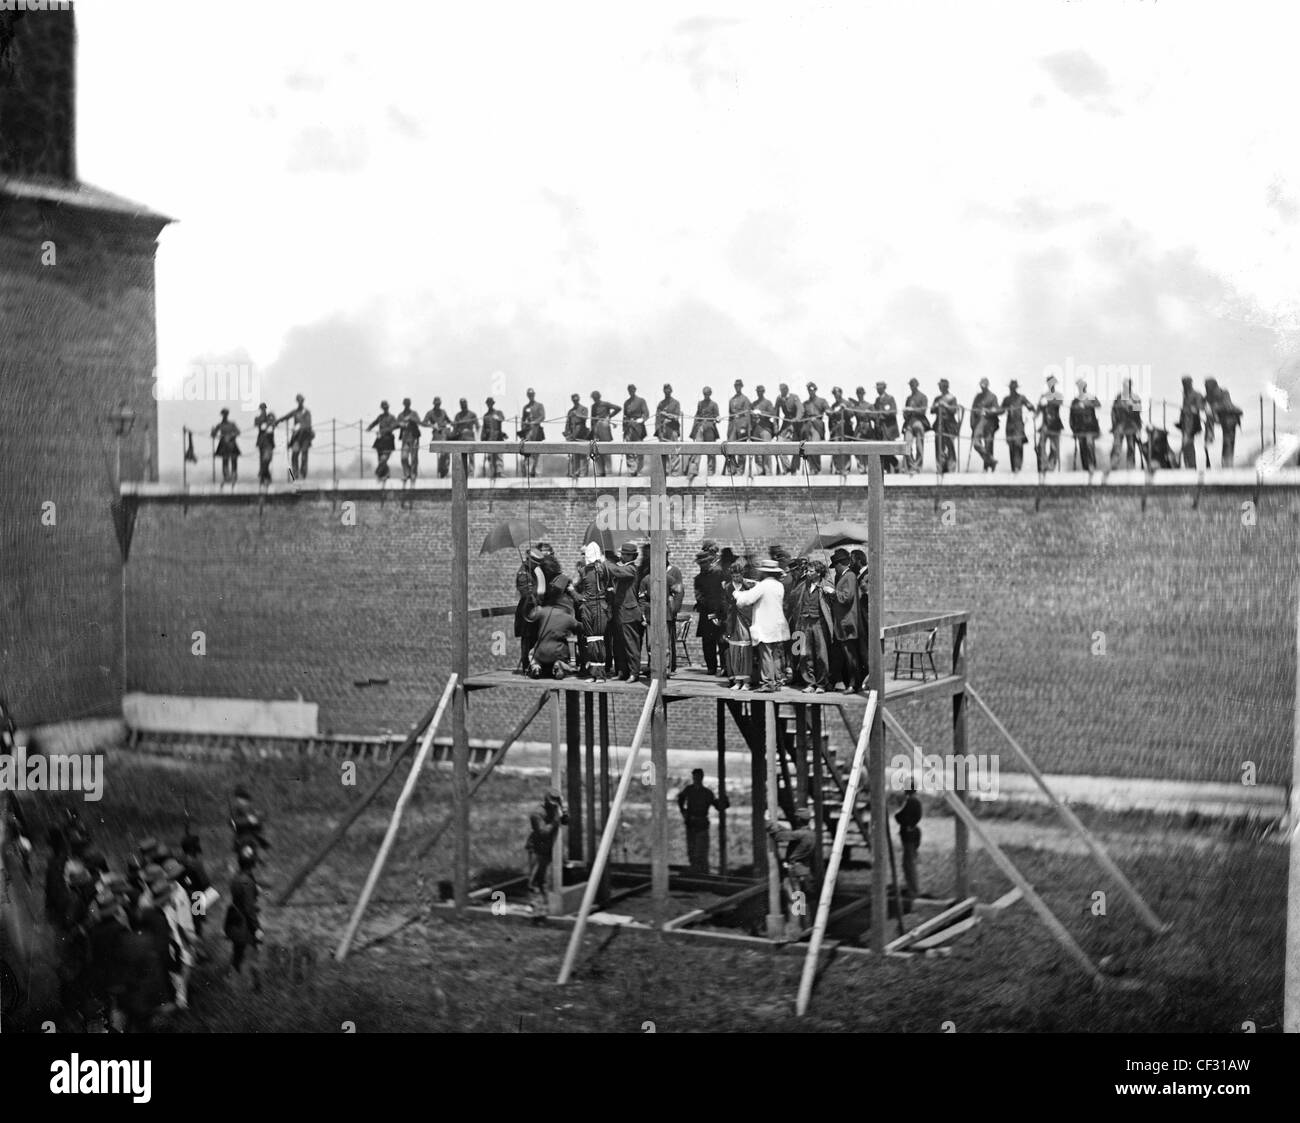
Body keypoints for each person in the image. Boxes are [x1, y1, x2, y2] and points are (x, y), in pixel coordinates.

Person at [731, 558, 788, 692]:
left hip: (766, 625)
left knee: (766, 654)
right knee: (776, 655)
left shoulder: (763, 585)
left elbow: (746, 600)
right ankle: (778, 681)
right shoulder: (779, 585)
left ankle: (768, 683)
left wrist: (737, 594)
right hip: (778, 624)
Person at [767, 807, 816, 928]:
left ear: (798, 819)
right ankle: (806, 927)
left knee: (794, 901)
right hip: (804, 870)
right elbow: (790, 833)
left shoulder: (800, 834)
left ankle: (795, 930)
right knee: (803, 901)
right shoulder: (810, 833)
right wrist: (779, 826)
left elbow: (778, 837)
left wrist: (769, 825)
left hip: (794, 871)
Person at [637, 550, 685, 673]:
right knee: (650, 644)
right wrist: (645, 612)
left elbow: (678, 592)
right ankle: (654, 668)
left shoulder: (669, 578)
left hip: (666, 616)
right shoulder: (646, 580)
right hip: (651, 617)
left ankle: (665, 669)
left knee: (665, 644)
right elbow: (641, 599)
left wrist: (672, 608)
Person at [525, 575, 581, 679]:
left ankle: (536, 666)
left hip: (540, 652)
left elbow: (530, 615)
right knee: (569, 659)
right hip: (557, 653)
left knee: (531, 653)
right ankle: (560, 664)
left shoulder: (544, 611)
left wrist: (535, 602)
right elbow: (580, 628)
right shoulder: (568, 618)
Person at [789, 559, 831, 693]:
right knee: (805, 653)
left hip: (819, 623)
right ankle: (810, 682)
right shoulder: (803, 585)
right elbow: (793, 596)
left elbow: (833, 604)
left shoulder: (826, 585)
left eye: (811, 571)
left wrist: (830, 592)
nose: (807, 573)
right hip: (805, 623)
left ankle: (821, 684)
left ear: (818, 573)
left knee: (821, 654)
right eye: (807, 571)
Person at [224, 845, 262, 992]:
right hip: (244, 924)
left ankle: (232, 982)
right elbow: (249, 908)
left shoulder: (237, 876)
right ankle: (254, 987)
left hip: (234, 920)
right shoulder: (247, 881)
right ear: (252, 863)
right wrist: (257, 928)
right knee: (253, 954)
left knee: (237, 952)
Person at [677, 769, 727, 875]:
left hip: (702, 823)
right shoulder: (689, 790)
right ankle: (694, 869)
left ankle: (702, 871)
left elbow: (718, 805)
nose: (696, 779)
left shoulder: (707, 793)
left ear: (702, 778)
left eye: (698, 777)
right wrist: (683, 811)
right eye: (695, 777)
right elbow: (680, 798)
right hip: (691, 823)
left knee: (701, 849)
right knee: (691, 848)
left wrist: (724, 801)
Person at [607, 542, 644, 681]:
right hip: (619, 612)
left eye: (625, 554)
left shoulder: (632, 569)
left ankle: (634, 673)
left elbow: (617, 572)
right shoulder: (622, 568)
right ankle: (622, 671)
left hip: (629, 613)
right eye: (622, 554)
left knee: (631, 644)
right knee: (619, 644)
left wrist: (605, 562)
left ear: (632, 556)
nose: (622, 556)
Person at [575, 543, 611, 680]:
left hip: (598, 605)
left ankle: (601, 674)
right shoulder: (584, 570)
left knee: (598, 639)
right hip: (588, 606)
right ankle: (594, 673)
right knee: (590, 640)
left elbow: (609, 584)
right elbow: (577, 584)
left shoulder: (602, 569)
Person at [525, 790, 568, 906]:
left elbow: (566, 822)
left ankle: (545, 903)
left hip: (549, 848)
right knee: (535, 877)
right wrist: (555, 821)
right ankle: (534, 904)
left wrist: (564, 815)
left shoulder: (555, 810)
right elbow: (543, 832)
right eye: (553, 804)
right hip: (537, 848)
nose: (555, 807)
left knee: (544, 878)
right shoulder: (537, 813)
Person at [826, 548, 860, 692]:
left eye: (836, 567)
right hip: (840, 622)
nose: (835, 570)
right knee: (843, 655)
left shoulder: (850, 576)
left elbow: (847, 598)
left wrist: (834, 592)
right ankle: (846, 682)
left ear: (841, 564)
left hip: (847, 622)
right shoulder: (841, 577)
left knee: (850, 655)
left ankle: (854, 683)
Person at [693, 548, 726, 676]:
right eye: (700, 563)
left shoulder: (719, 574)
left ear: (710, 562)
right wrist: (709, 610)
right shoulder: (698, 579)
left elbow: (723, 593)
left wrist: (719, 611)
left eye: (705, 563)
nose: (703, 565)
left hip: (720, 612)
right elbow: (699, 596)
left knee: (722, 641)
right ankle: (711, 667)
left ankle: (724, 667)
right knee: (707, 642)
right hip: (706, 614)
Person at [515, 546, 546, 672]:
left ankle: (535, 664)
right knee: (527, 638)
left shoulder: (532, 571)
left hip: (534, 608)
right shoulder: (523, 573)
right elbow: (525, 592)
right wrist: (535, 596)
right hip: (526, 610)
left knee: (534, 637)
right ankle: (526, 666)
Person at [1205, 378, 1243, 468]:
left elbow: (1227, 405)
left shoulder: (1224, 393)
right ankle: (1209, 437)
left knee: (1228, 443)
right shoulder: (1208, 396)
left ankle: (1227, 465)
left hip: (1230, 419)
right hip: (1221, 419)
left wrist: (1214, 407)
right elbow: (1203, 404)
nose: (1206, 388)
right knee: (1227, 443)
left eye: (1207, 386)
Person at [894, 783, 923, 897]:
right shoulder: (915, 801)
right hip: (912, 833)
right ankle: (912, 888)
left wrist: (907, 823)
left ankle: (913, 890)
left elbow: (900, 816)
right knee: (909, 862)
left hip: (909, 834)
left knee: (909, 863)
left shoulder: (910, 801)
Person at [1175, 376, 1209, 469]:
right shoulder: (1185, 395)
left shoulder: (1196, 394)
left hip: (1192, 423)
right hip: (1185, 423)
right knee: (1187, 446)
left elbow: (1202, 407)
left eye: (1186, 383)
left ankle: (1191, 466)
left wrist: (1194, 408)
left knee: (1187, 443)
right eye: (1184, 383)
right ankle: (1189, 466)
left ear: (1190, 383)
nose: (1185, 385)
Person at [1109, 378, 1143, 470]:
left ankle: (1130, 466)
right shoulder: (1118, 397)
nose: (1125, 387)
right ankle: (1114, 464)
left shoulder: (1135, 398)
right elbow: (1113, 411)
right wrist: (1114, 425)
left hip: (1132, 425)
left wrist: (1139, 429)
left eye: (1127, 386)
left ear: (1131, 386)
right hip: (1120, 425)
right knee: (1116, 446)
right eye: (1124, 386)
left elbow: (1138, 412)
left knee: (1131, 447)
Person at [1069, 378, 1101, 472]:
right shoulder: (1075, 401)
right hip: (1079, 429)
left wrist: (1087, 404)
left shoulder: (1090, 397)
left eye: (1082, 386)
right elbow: (1071, 417)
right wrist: (1073, 429)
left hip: (1090, 427)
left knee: (1089, 445)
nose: (1081, 388)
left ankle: (1092, 465)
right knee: (1082, 448)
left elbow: (1098, 405)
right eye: (1079, 386)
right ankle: (1085, 467)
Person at [1000, 380, 1033, 473]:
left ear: (1016, 388)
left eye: (1014, 388)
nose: (1012, 390)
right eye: (1011, 388)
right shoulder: (1006, 399)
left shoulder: (1021, 398)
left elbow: (1030, 406)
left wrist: (1030, 407)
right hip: (1009, 425)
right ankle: (1014, 468)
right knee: (1011, 447)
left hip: (1018, 425)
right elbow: (1001, 410)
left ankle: (1018, 467)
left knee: (1018, 445)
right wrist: (992, 411)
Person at [687, 387, 720, 477]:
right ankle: (694, 470)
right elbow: (697, 416)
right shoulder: (700, 404)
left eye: (708, 393)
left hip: (710, 428)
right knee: (697, 449)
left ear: (710, 394)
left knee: (711, 450)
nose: (706, 395)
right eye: (705, 394)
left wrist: (717, 419)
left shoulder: (714, 404)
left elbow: (717, 417)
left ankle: (711, 472)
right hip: (700, 428)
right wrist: (694, 432)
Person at [280, 394, 314, 480]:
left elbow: (308, 424)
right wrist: (276, 422)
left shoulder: (307, 413)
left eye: (301, 401)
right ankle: (295, 474)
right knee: (294, 455)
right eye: (298, 401)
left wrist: (300, 426)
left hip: (305, 438)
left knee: (304, 457)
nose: (299, 403)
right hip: (296, 437)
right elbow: (286, 416)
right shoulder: (295, 412)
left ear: (303, 402)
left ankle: (303, 475)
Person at [1035, 374, 1065, 472]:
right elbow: (1038, 410)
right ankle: (1044, 464)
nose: (1051, 385)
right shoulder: (1043, 396)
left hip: (1055, 425)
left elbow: (1059, 403)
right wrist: (1034, 416)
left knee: (1054, 447)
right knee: (1040, 445)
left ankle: (1051, 466)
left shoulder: (1058, 395)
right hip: (1045, 425)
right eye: (1049, 383)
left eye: (1052, 383)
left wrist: (1047, 401)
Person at [930, 379, 960, 474]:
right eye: (940, 386)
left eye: (942, 386)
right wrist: (936, 406)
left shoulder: (952, 398)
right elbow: (931, 410)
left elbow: (954, 410)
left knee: (950, 446)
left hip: (949, 425)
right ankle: (940, 466)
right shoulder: (937, 398)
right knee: (939, 446)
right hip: (939, 424)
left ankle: (951, 466)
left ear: (946, 387)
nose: (940, 388)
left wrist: (946, 405)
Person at [230, 786, 271, 855]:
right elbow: (233, 821)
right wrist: (248, 820)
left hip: (255, 835)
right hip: (242, 836)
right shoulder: (235, 810)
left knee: (263, 847)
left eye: (244, 799)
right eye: (240, 798)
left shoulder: (251, 808)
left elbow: (262, 815)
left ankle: (261, 859)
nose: (242, 801)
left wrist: (257, 818)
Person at [870, 382, 900, 473]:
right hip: (880, 429)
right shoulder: (877, 400)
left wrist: (882, 414)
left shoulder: (890, 399)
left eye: (880, 388)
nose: (878, 390)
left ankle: (896, 464)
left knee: (887, 449)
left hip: (889, 429)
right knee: (881, 449)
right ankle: (887, 469)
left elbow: (893, 412)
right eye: (877, 388)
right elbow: (875, 413)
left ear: (884, 388)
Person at [970, 379, 999, 472]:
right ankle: (991, 460)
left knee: (988, 445)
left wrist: (988, 411)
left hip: (990, 423)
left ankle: (986, 468)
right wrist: (972, 425)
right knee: (976, 443)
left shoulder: (992, 397)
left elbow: (997, 409)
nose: (982, 386)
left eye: (984, 385)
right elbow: (972, 411)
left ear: (987, 385)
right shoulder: (977, 397)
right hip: (979, 423)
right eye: (981, 385)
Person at [589, 391, 620, 477]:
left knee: (606, 450)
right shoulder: (593, 406)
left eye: (596, 397)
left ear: (599, 397)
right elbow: (592, 419)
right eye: (594, 398)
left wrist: (609, 416)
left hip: (604, 426)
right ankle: (600, 471)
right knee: (596, 449)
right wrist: (592, 431)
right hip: (596, 428)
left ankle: (609, 471)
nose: (595, 399)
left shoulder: (605, 404)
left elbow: (618, 408)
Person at [902, 378, 930, 473]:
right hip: (909, 422)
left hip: (919, 422)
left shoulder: (923, 397)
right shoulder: (909, 398)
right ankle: (911, 465)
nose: (912, 386)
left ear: (917, 385)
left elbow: (923, 411)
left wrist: (912, 409)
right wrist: (906, 412)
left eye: (913, 385)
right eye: (910, 385)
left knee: (919, 445)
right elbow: (905, 413)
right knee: (906, 445)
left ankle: (917, 467)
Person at [654, 384, 683, 474]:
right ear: (663, 391)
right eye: (665, 390)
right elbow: (657, 418)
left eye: (668, 390)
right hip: (663, 429)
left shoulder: (676, 403)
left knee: (675, 450)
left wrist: (666, 415)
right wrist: (658, 431)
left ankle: (675, 472)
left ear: (671, 391)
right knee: (663, 451)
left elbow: (676, 417)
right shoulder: (661, 404)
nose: (667, 392)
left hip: (673, 429)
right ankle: (664, 472)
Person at [366, 400, 398, 480]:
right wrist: (369, 428)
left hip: (388, 440)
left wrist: (383, 431)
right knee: (380, 459)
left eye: (386, 407)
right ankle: (384, 474)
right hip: (380, 441)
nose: (385, 409)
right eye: (383, 407)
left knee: (384, 459)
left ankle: (378, 472)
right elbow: (374, 423)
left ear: (388, 407)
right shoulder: (380, 417)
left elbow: (395, 426)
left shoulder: (392, 417)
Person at [775, 383, 802, 473]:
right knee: (779, 443)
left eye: (783, 390)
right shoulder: (779, 399)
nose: (782, 392)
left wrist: (797, 418)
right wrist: (776, 427)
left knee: (797, 446)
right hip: (786, 424)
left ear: (787, 390)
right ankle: (787, 467)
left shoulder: (794, 397)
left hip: (796, 425)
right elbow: (776, 413)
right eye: (781, 390)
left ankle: (794, 468)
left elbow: (800, 409)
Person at [725, 380, 751, 475]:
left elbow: (747, 415)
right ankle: (732, 469)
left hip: (742, 426)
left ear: (741, 387)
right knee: (730, 448)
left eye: (739, 386)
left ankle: (740, 470)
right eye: (736, 386)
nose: (737, 388)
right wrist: (729, 429)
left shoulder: (745, 399)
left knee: (741, 449)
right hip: (732, 427)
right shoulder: (731, 400)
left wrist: (746, 428)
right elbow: (730, 415)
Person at [801, 382, 829, 473]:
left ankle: (817, 468)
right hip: (807, 425)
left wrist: (830, 411)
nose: (810, 392)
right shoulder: (805, 403)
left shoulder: (822, 401)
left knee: (815, 445)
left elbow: (828, 410)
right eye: (809, 390)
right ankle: (811, 469)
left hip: (817, 425)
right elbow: (801, 414)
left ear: (815, 390)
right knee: (807, 447)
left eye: (812, 390)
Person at [518, 389, 546, 477]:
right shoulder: (525, 407)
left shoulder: (539, 405)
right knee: (527, 452)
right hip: (527, 433)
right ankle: (528, 472)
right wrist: (523, 427)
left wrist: (535, 422)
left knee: (537, 452)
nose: (531, 396)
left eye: (532, 394)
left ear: (534, 395)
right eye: (529, 394)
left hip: (537, 432)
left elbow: (542, 416)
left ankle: (537, 472)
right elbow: (523, 420)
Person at [422, 396, 453, 478]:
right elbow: (423, 423)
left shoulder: (443, 412)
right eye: (436, 404)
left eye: (439, 404)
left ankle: (445, 472)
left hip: (445, 434)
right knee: (441, 454)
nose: (438, 405)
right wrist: (432, 425)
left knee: (446, 454)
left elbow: (449, 421)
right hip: (437, 436)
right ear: (434, 404)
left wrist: (452, 423)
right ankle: (441, 472)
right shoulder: (430, 413)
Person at [622, 384, 649, 475]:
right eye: (629, 390)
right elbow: (624, 416)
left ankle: (639, 469)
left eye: (632, 389)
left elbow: (646, 413)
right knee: (628, 449)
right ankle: (632, 470)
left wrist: (642, 419)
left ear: (635, 390)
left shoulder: (641, 401)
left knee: (639, 449)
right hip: (629, 428)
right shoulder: (626, 403)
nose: (631, 391)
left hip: (638, 428)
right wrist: (624, 428)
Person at [750, 385, 776, 475]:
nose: (759, 393)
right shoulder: (753, 404)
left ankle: (768, 472)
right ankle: (760, 472)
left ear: (763, 392)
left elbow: (772, 414)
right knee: (757, 453)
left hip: (765, 429)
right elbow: (750, 417)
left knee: (767, 451)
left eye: (760, 391)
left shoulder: (768, 403)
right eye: (758, 391)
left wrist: (761, 413)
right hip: (755, 430)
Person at [211, 408, 241, 484]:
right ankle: (226, 477)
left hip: (232, 444)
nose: (224, 416)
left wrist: (231, 435)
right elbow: (213, 435)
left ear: (227, 415)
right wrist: (213, 431)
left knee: (234, 460)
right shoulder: (219, 425)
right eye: (223, 415)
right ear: (222, 415)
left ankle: (234, 476)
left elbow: (238, 432)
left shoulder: (232, 424)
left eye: (226, 415)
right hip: (223, 444)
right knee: (225, 461)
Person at [395, 397, 423, 481]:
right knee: (404, 457)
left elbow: (419, 421)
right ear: (404, 404)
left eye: (408, 403)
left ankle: (413, 474)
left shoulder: (414, 413)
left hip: (414, 438)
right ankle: (406, 474)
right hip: (405, 438)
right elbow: (396, 424)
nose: (407, 405)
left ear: (410, 404)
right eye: (405, 403)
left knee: (414, 458)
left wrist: (411, 419)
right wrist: (401, 424)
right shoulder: (400, 415)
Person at [563, 393, 589, 478]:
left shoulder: (584, 409)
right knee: (574, 454)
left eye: (576, 399)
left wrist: (577, 414)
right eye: (574, 400)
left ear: (579, 399)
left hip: (582, 433)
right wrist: (566, 432)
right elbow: (568, 423)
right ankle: (575, 472)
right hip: (573, 434)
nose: (575, 401)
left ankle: (583, 474)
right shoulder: (570, 411)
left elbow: (585, 418)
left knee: (583, 454)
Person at [451, 397, 478, 476]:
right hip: (461, 439)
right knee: (460, 457)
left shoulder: (472, 414)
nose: (463, 405)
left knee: (471, 456)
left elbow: (477, 426)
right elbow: (455, 430)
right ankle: (461, 473)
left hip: (470, 438)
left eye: (464, 403)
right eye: (461, 404)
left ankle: (471, 473)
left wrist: (478, 438)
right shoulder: (457, 416)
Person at [481, 397, 507, 478]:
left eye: (491, 403)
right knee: (491, 457)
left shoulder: (498, 412)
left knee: (499, 456)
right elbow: (484, 428)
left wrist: (498, 418)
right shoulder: (485, 416)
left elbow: (503, 418)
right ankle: (493, 473)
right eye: (488, 403)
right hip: (489, 439)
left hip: (498, 438)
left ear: (493, 403)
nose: (489, 404)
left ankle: (499, 472)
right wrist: (482, 439)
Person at [828, 387, 852, 473]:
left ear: (841, 393)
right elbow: (831, 418)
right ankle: (837, 468)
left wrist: (845, 409)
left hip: (845, 430)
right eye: (834, 393)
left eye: (837, 393)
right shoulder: (834, 406)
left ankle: (846, 468)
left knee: (846, 449)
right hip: (836, 431)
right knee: (835, 448)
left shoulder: (847, 403)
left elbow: (851, 414)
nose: (836, 395)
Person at [253, 403, 277, 485]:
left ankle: (263, 475)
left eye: (264, 409)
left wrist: (269, 425)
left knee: (267, 460)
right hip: (261, 442)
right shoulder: (258, 418)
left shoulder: (270, 417)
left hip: (269, 442)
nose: (263, 410)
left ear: (265, 409)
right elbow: (256, 424)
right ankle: (265, 477)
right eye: (261, 409)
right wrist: (263, 425)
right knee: (262, 460)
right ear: (260, 409)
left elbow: (274, 424)